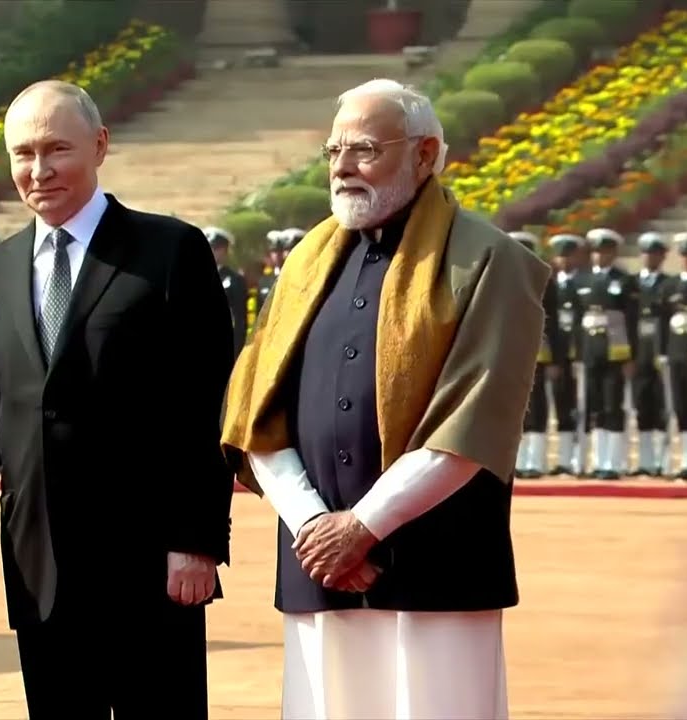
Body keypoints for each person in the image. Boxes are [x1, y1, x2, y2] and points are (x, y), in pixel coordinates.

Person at [0, 79, 235, 720]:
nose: (39, 170)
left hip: (150, 560)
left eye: (57, 149)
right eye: (24, 154)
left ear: (99, 145)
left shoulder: (169, 251)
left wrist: (195, 540)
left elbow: (204, 400)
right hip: (41, 565)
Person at [221, 79, 549, 720]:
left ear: (424, 154)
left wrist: (362, 527)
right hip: (319, 566)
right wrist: (315, 527)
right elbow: (259, 410)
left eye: (365, 149)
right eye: (333, 150)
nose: (342, 167)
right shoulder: (305, 263)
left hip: (437, 563)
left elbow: (472, 421)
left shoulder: (489, 261)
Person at [581, 227, 638, 479]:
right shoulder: (584, 279)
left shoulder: (624, 280)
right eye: (595, 251)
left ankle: (613, 463)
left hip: (616, 351)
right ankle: (598, 461)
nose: (599, 256)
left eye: (604, 251)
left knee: (613, 404)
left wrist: (631, 355)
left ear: (613, 253)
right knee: (595, 406)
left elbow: (632, 320)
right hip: (591, 349)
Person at [510, 231, 565, 478]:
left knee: (538, 406)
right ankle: (516, 461)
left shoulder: (544, 280)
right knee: (513, 410)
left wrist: (555, 359)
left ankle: (536, 461)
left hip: (539, 353)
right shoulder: (501, 279)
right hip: (510, 353)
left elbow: (553, 323)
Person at [633, 231, 672, 475]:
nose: (650, 257)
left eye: (655, 253)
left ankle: (662, 461)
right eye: (646, 253)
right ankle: (645, 461)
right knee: (641, 404)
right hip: (639, 350)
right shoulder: (632, 282)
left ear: (663, 257)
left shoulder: (668, 283)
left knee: (661, 405)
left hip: (660, 349)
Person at [549, 233, 587, 474]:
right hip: (558, 354)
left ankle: (579, 458)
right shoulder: (549, 284)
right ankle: (563, 459)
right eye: (560, 256)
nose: (564, 261)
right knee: (561, 404)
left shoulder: (585, 282)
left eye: (568, 256)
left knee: (581, 406)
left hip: (582, 353)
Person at [665, 232, 687, 479]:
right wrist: (662, 352)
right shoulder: (671, 285)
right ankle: (686, 460)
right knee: (681, 407)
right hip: (678, 353)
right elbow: (662, 321)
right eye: (685, 256)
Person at [205, 226, 248, 355]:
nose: (211, 252)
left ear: (224, 250)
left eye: (215, 248)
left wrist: (237, 348)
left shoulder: (235, 280)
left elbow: (240, 317)